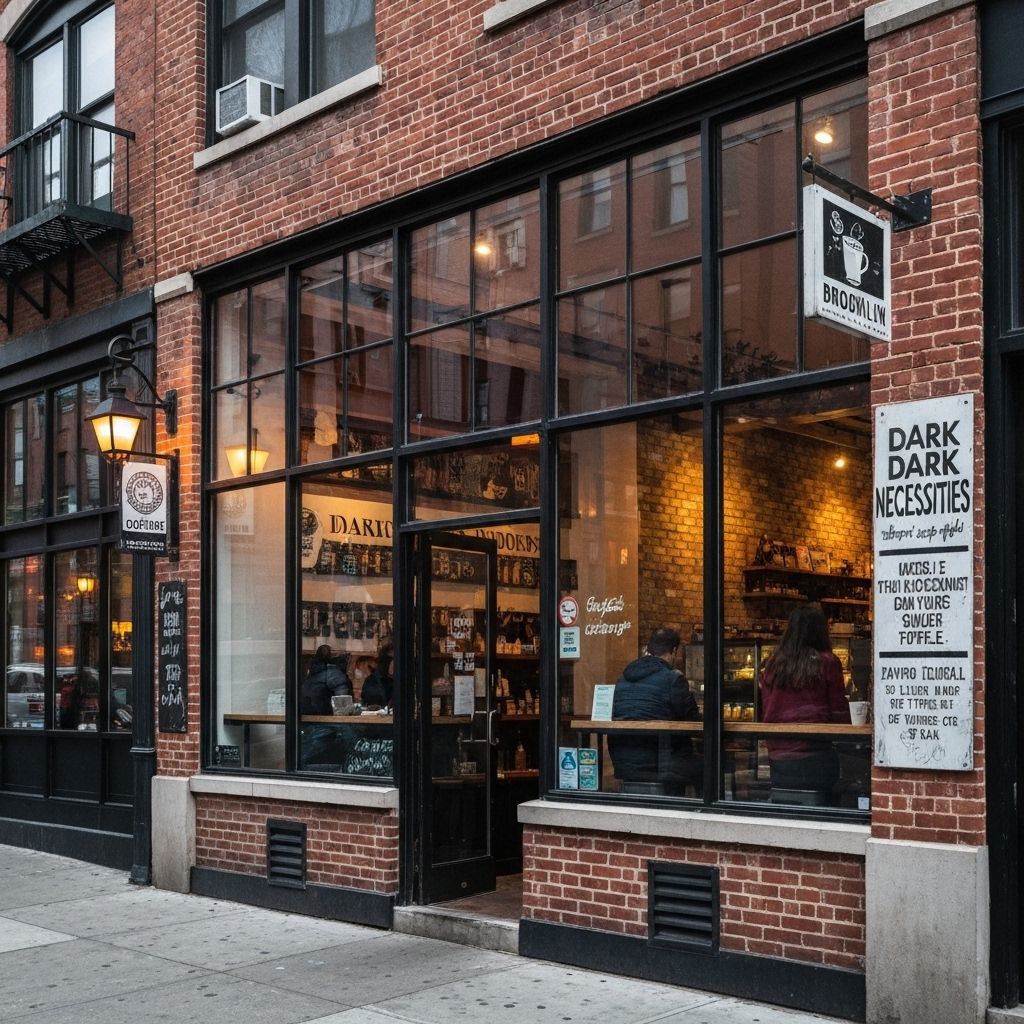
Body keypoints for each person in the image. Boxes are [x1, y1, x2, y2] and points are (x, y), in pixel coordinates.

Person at [758, 605, 851, 795]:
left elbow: (766, 708)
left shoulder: (773, 664)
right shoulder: (828, 662)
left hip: (778, 757)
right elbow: (839, 712)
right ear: (821, 631)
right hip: (816, 755)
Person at [608, 627, 702, 794]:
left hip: (622, 762)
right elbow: (692, 719)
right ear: (674, 651)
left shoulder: (623, 679)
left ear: (648, 649)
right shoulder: (673, 678)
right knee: (710, 767)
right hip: (660, 763)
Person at [300, 646, 352, 767]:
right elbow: (343, 706)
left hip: (308, 725)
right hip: (328, 727)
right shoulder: (335, 674)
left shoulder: (312, 674)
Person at [361, 643, 394, 709]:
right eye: (390, 660)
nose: (393, 663)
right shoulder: (371, 681)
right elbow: (365, 703)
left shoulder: (398, 681)